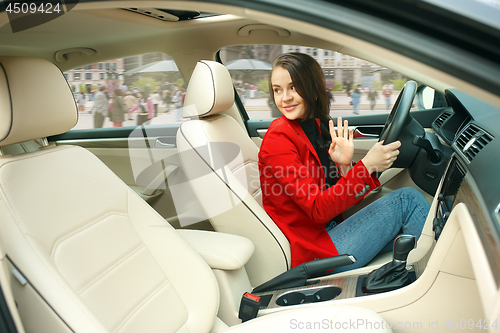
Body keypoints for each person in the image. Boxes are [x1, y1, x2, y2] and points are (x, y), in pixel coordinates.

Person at [258, 53, 429, 272]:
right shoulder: (278, 138)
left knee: (409, 231)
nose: (285, 98)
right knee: (408, 201)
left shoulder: (317, 127)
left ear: (313, 89)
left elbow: (338, 199)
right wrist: (367, 166)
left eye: (293, 87)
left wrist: (345, 167)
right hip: (316, 250)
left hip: (332, 231)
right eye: (277, 89)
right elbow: (318, 209)